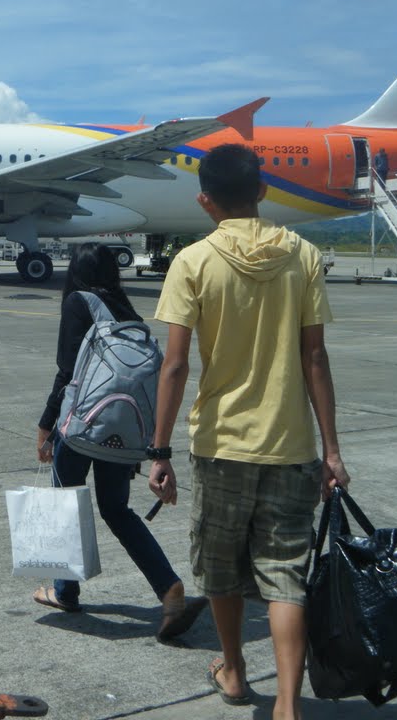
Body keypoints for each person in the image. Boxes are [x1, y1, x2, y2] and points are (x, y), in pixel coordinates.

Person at [150, 144, 349, 719]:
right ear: (262, 191)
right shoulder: (304, 256)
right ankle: (288, 705)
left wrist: (159, 450)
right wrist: (331, 449)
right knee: (285, 574)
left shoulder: (193, 262)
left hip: (221, 444)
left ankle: (234, 671)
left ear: (204, 201)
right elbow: (316, 358)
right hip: (291, 446)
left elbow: (175, 366)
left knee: (221, 568)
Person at [34, 243, 207, 640]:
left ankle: (65, 591)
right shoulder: (127, 311)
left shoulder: (80, 302)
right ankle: (168, 587)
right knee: (116, 510)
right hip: (125, 431)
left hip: (81, 429)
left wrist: (46, 425)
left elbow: (67, 372)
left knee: (66, 504)